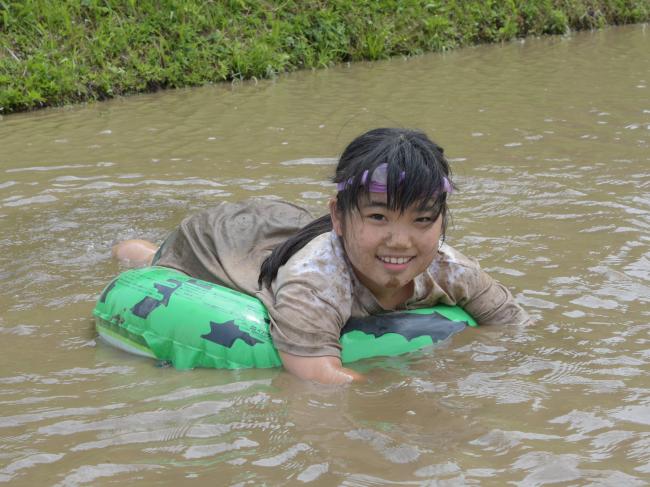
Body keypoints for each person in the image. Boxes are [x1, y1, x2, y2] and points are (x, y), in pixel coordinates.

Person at [113, 128, 530, 384]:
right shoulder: (315, 282)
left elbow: (512, 325)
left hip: (290, 228)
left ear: (441, 221)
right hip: (218, 239)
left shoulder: (452, 270)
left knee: (288, 237)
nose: (401, 241)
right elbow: (315, 376)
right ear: (339, 215)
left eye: (422, 220)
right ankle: (134, 247)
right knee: (150, 256)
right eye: (379, 216)